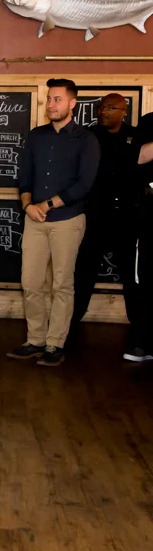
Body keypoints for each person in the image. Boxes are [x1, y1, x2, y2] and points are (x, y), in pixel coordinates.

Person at [8, 78, 99, 367]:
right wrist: (27, 206)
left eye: (57, 99)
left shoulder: (86, 139)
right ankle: (35, 340)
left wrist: (45, 205)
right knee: (31, 282)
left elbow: (84, 185)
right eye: (49, 99)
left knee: (62, 284)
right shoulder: (36, 136)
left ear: (72, 103)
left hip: (67, 220)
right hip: (34, 219)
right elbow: (24, 177)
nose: (51, 104)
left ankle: (55, 343)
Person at [71, 94, 140, 343]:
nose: (103, 111)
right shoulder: (89, 136)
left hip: (126, 217)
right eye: (101, 107)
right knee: (84, 272)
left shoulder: (135, 136)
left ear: (123, 111)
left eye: (110, 108)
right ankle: (69, 324)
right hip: (96, 215)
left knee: (131, 277)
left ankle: (139, 331)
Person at [125, 119, 153, 362]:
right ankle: (144, 343)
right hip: (150, 208)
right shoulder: (149, 121)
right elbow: (138, 156)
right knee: (146, 276)